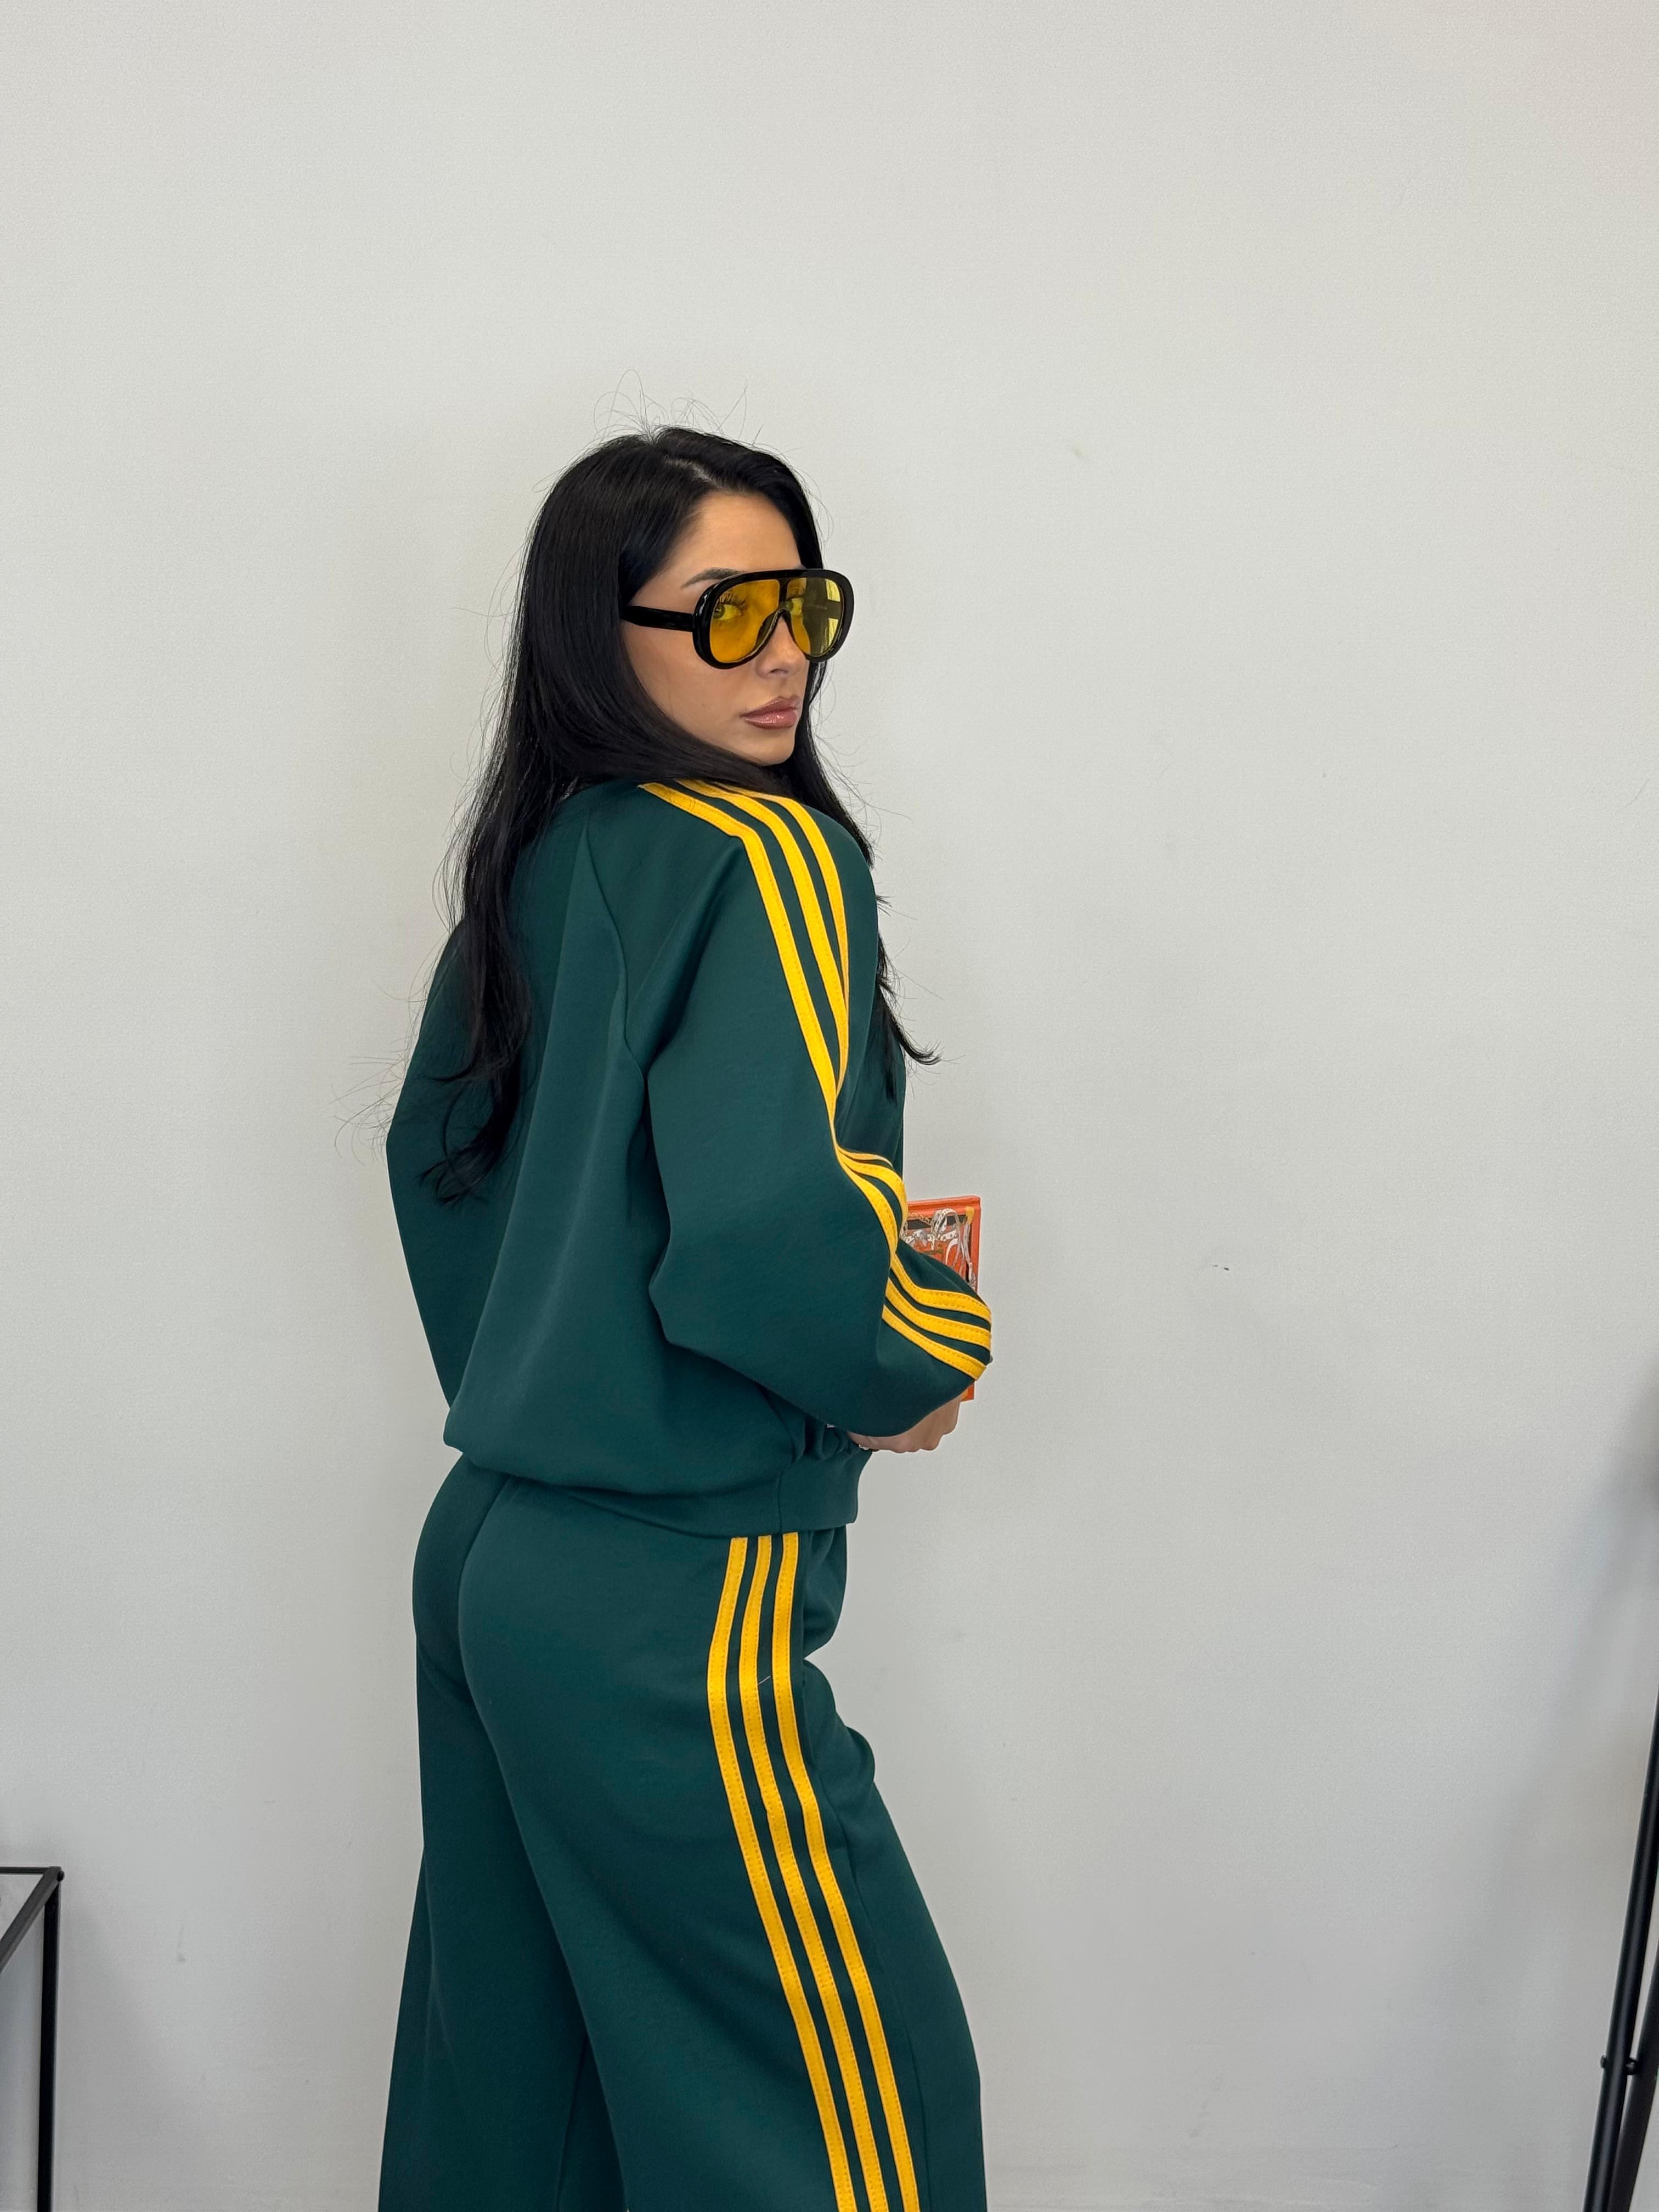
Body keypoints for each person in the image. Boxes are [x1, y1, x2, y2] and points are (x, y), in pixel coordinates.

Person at [376, 425, 994, 2212]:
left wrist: (556, 1382)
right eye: (726, 614)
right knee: (850, 2128)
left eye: (806, 604)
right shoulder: (760, 852)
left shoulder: (551, 854)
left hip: (495, 1551)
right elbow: (763, 1240)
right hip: (671, 1591)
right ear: (605, 632)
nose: (783, 653)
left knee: (525, 2120)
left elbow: (435, 1164)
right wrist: (909, 1362)